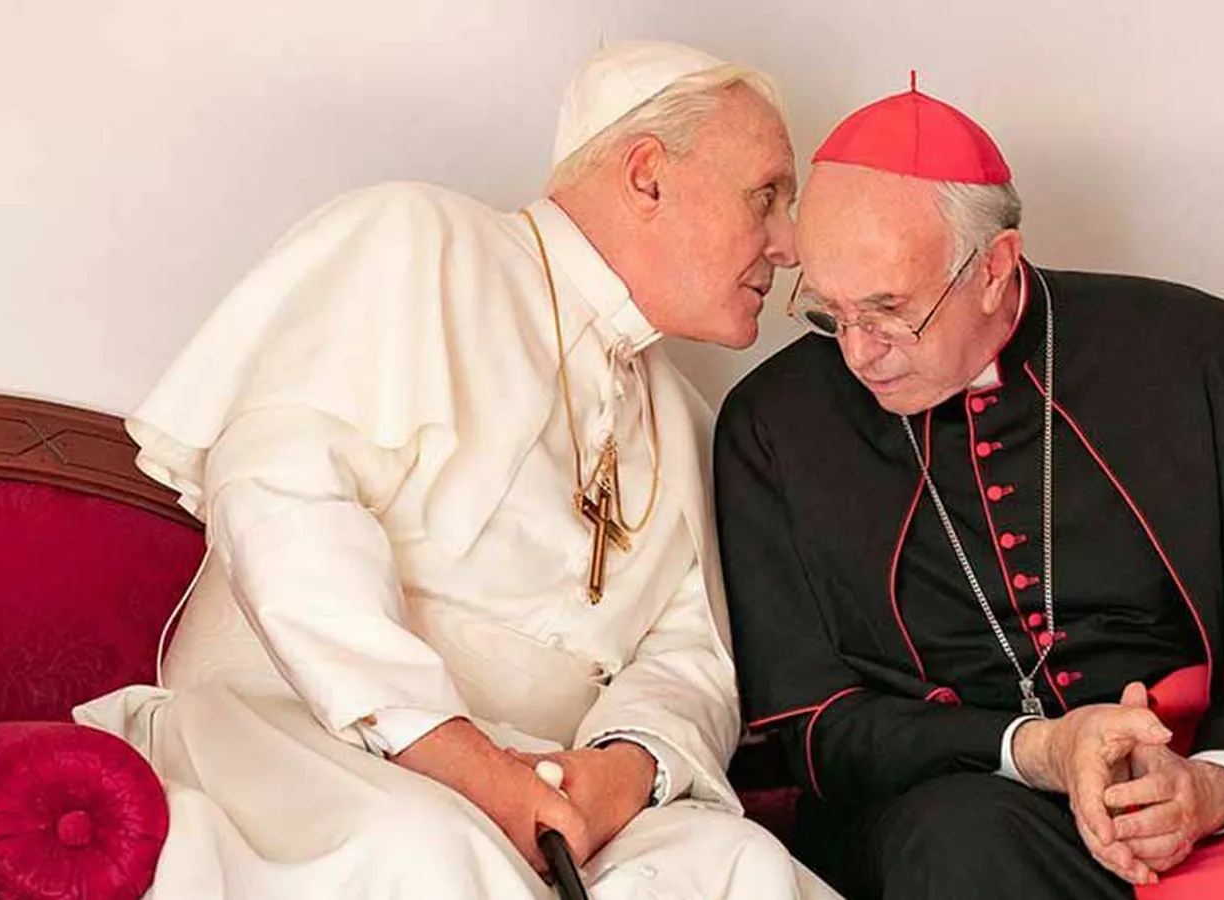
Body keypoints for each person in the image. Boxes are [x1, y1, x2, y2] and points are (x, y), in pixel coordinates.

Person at [76, 40, 838, 899]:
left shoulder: (684, 418)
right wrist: (458, 757)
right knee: (426, 850)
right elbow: (281, 500)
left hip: (540, 783)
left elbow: (690, 656)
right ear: (648, 176)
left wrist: (624, 769)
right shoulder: (416, 241)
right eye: (767, 196)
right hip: (297, 729)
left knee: (741, 865)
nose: (788, 245)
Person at [715, 78, 1224, 899]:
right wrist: (1039, 751)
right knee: (956, 845)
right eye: (828, 313)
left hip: (1203, 772)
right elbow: (819, 726)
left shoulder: (1190, 350)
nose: (857, 353)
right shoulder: (774, 425)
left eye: (888, 311)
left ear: (994, 268)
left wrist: (1217, 787)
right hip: (983, 806)